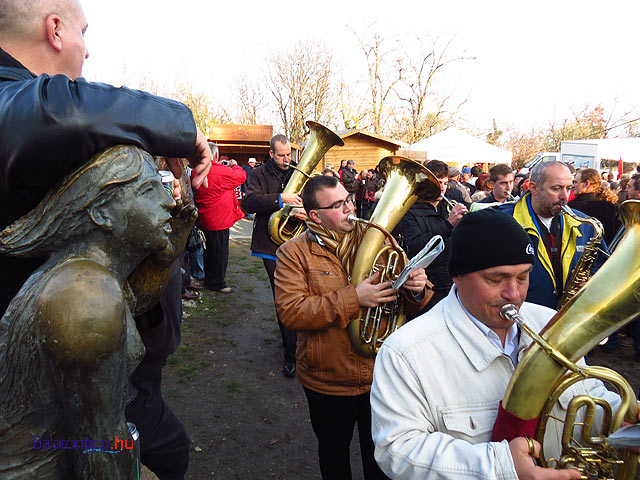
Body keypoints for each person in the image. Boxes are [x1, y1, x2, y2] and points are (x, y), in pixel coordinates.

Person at [370, 209, 622, 480]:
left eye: (523, 277)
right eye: (495, 279)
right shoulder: (406, 351)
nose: (514, 294)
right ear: (457, 275)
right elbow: (398, 450)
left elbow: (586, 395)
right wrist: (499, 466)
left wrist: (621, 418)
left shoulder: (551, 322)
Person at [0, 0, 212, 318]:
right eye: (82, 33)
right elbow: (59, 111)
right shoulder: (16, 100)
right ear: (55, 30)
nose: (87, 52)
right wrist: (180, 124)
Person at [0, 146, 187, 478]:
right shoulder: (85, 295)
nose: (170, 201)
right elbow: (99, 447)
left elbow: (129, 305)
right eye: (147, 190)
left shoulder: (89, 275)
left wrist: (163, 259)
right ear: (101, 215)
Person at [274, 175, 430, 480]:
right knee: (334, 456)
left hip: (381, 377)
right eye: (338, 205)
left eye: (348, 200)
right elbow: (291, 313)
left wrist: (416, 289)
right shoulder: (293, 253)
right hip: (327, 379)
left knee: (383, 459)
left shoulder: (380, 238)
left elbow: (411, 299)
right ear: (316, 215)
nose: (349, 208)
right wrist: (353, 298)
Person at [498, 161, 606, 309]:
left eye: (569, 188)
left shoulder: (586, 224)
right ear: (533, 188)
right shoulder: (500, 222)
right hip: (522, 316)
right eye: (556, 188)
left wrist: (593, 280)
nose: (564, 196)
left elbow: (603, 265)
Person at [243, 134, 299, 377]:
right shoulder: (257, 174)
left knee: (302, 295)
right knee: (284, 297)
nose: (287, 159)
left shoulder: (297, 172)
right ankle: (291, 355)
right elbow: (249, 202)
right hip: (270, 245)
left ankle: (297, 344)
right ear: (271, 154)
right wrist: (280, 199)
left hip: (296, 242)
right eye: (282, 155)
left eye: (289, 155)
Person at [393, 160, 467, 314]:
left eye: (446, 183)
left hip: (455, 281)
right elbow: (416, 244)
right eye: (438, 183)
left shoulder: (453, 199)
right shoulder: (409, 209)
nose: (442, 188)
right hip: (429, 286)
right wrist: (448, 224)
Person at [193, 143, 246, 293]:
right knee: (220, 253)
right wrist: (234, 165)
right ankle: (217, 283)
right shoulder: (223, 171)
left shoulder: (196, 171)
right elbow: (241, 176)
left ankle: (209, 278)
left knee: (209, 251)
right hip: (219, 220)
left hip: (204, 218)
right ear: (215, 155)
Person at [568, 168, 621, 245]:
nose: (572, 186)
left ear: (586, 184)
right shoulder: (613, 204)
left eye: (575, 182)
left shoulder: (573, 206)